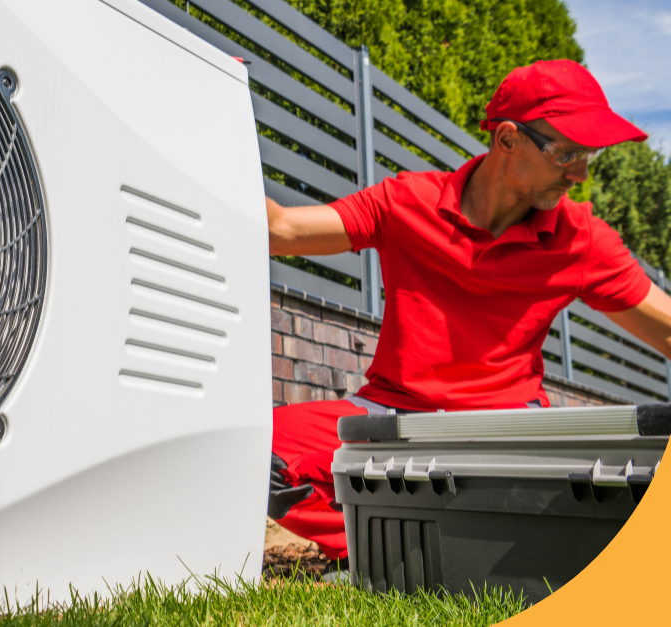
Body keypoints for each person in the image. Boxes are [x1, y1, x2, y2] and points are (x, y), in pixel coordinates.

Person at [265, 59, 671, 565]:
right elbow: (280, 230)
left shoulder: (581, 239)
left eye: (589, 156)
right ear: (507, 139)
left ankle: (437, 546)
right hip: (393, 418)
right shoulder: (404, 203)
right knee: (261, 451)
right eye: (567, 152)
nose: (581, 174)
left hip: (505, 431)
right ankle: (383, 550)